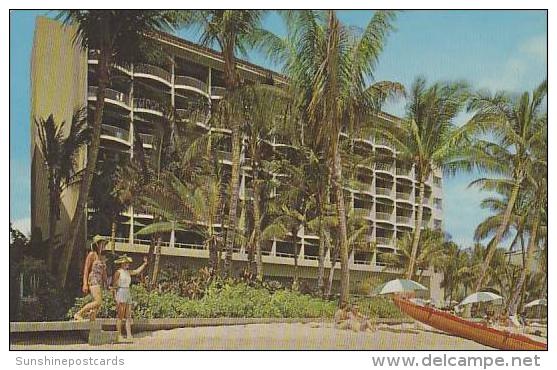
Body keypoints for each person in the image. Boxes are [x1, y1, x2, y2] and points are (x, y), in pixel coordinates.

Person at [111, 254, 148, 342]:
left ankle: (129, 334)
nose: (128, 264)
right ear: (122, 263)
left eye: (128, 262)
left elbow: (137, 271)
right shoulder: (118, 272)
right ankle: (119, 335)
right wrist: (115, 298)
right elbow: (114, 286)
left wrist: (144, 264)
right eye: (126, 262)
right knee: (120, 316)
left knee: (128, 316)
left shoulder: (128, 272)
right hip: (121, 292)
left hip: (127, 292)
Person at [73, 235, 108, 321]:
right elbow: (86, 269)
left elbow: (103, 273)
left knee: (98, 304)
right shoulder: (91, 254)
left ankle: (92, 318)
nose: (103, 246)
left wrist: (106, 283)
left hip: (99, 282)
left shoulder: (101, 257)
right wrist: (85, 283)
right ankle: (79, 313)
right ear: (97, 244)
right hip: (93, 280)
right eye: (102, 244)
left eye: (104, 244)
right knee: (98, 301)